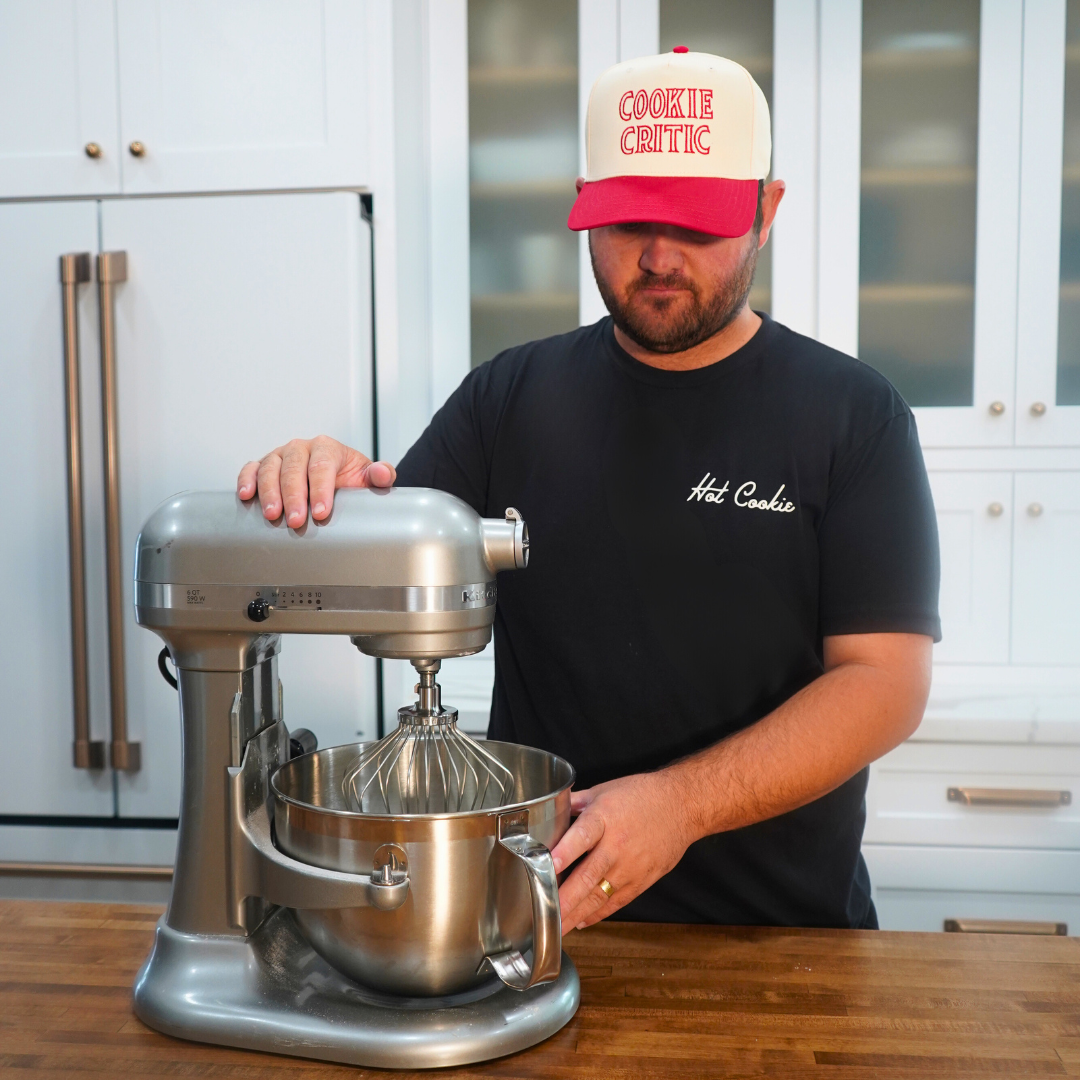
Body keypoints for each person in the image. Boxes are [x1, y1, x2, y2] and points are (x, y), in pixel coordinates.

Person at [237, 49, 939, 933]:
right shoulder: (508, 399)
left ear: (766, 211)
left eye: (695, 224)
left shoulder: (854, 415)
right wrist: (324, 479)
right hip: (545, 930)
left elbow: (884, 684)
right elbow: (377, 582)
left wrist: (680, 807)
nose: (656, 257)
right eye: (626, 220)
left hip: (785, 942)